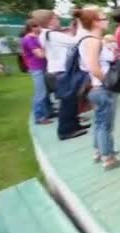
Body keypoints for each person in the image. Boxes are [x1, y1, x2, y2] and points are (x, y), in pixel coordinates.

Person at [77, 7, 120, 170]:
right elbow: (94, 67)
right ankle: (108, 158)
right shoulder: (94, 41)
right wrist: (109, 82)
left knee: (100, 123)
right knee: (105, 125)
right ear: (95, 22)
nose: (107, 21)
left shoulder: (85, 39)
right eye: (103, 18)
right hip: (102, 87)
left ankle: (99, 151)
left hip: (95, 88)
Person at [35, 9, 89, 140]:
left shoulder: (46, 35)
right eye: (56, 18)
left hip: (56, 72)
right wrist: (80, 24)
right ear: (50, 20)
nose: (58, 20)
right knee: (67, 103)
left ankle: (74, 125)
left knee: (71, 101)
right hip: (60, 72)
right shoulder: (52, 35)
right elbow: (76, 41)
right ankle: (65, 131)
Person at [22, 18, 53, 125]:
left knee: (45, 92)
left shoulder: (37, 37)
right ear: (31, 28)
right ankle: (39, 117)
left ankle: (46, 113)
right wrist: (47, 47)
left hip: (43, 67)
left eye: (39, 25)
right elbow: (40, 55)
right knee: (40, 93)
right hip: (37, 68)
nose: (39, 28)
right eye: (36, 26)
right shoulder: (29, 39)